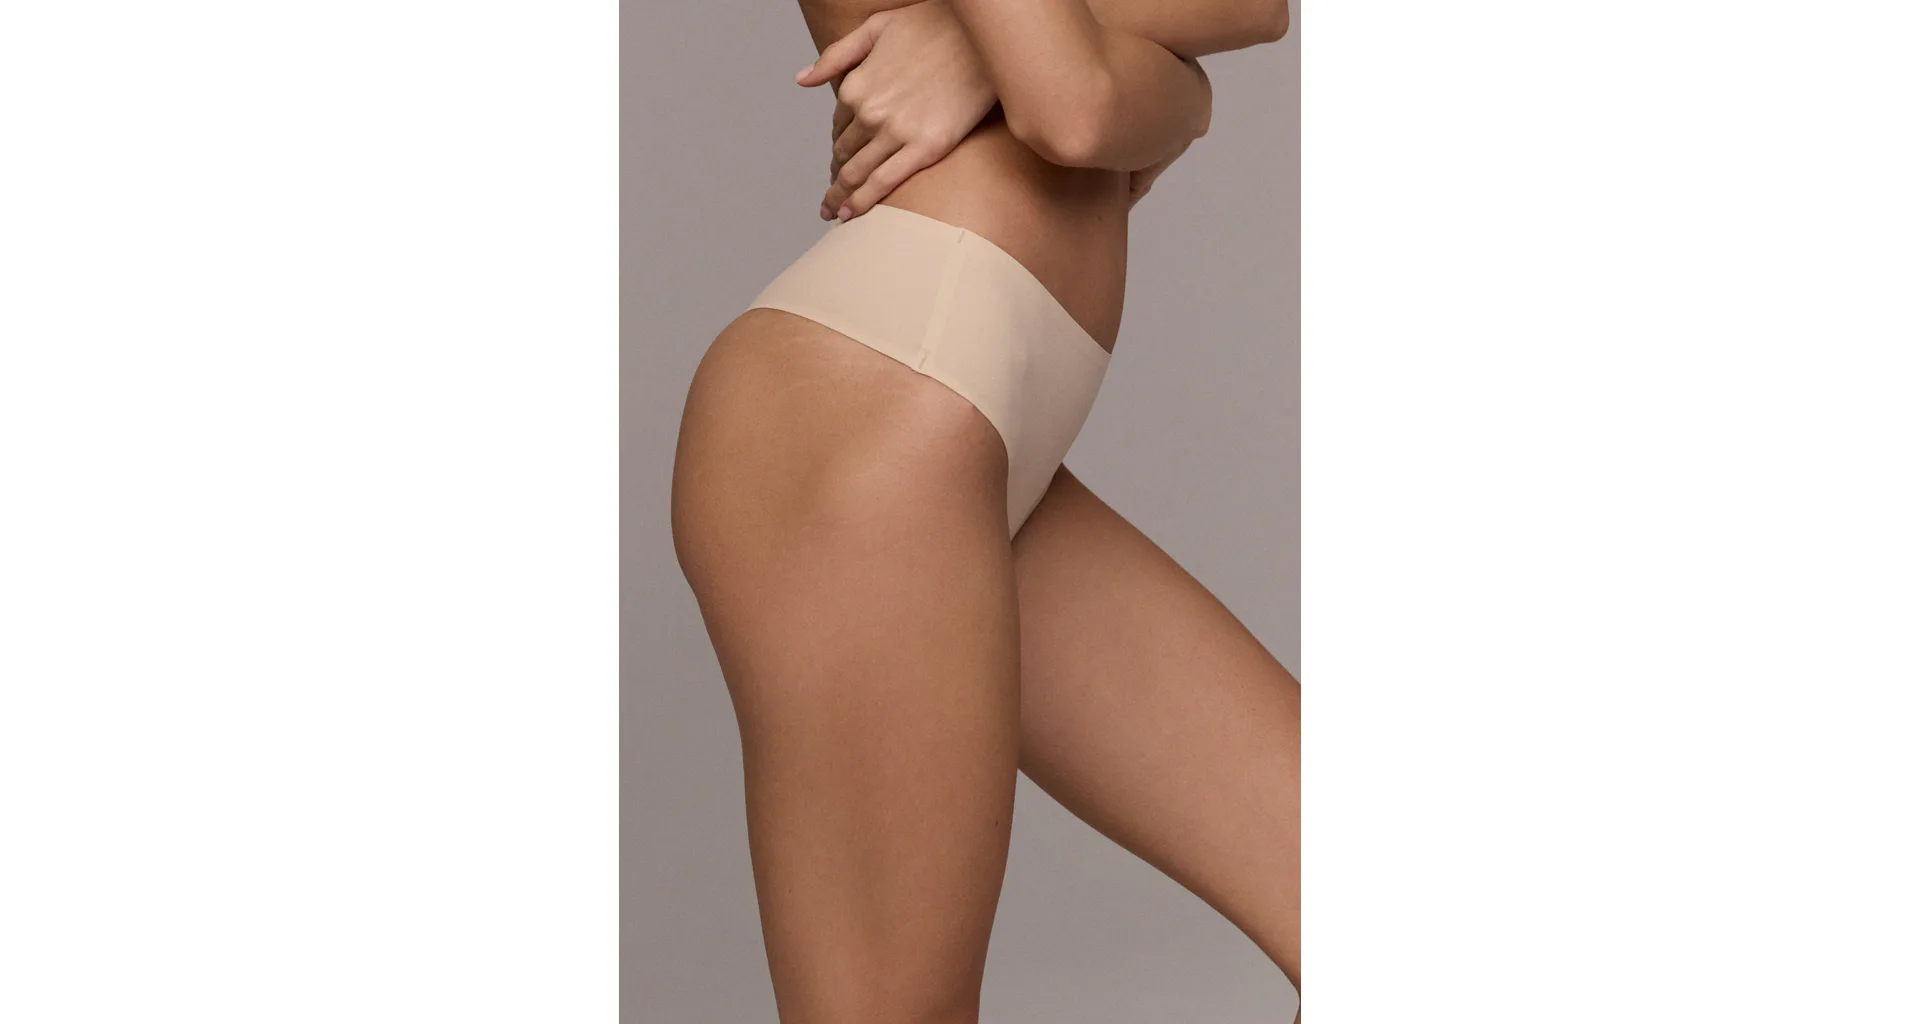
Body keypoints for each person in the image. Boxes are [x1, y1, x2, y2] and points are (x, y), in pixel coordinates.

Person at [670, 2, 1298, 1021]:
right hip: (876, 407)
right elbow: (1079, 111)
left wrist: (982, 51)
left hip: (973, 432)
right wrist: (1179, 92)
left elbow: (1254, 9)